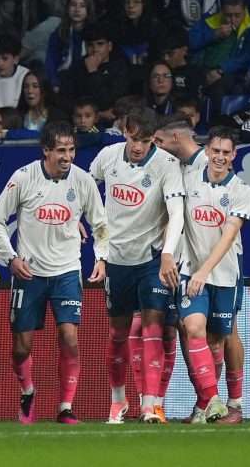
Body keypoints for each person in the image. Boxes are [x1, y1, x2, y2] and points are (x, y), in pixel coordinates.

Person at [0, 120, 108, 424]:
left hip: (67, 271)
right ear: (46, 151)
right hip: (28, 273)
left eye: (71, 150)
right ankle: (27, 391)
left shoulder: (82, 181)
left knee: (70, 337)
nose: (67, 156)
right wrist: (11, 258)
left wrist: (101, 257)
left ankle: (65, 407)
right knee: (21, 346)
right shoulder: (24, 178)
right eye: (60, 151)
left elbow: (102, 224)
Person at [88, 106, 185, 423]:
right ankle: (118, 400)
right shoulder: (108, 157)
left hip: (151, 259)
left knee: (153, 328)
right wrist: (94, 242)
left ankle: (151, 404)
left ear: (153, 139)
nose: (138, 146)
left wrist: (168, 252)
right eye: (133, 138)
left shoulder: (167, 165)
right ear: (124, 132)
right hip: (117, 260)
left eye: (145, 140)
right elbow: (87, 191)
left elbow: (177, 213)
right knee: (117, 335)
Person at [177, 126, 250, 423]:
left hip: (223, 273)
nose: (219, 157)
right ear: (206, 151)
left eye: (225, 152)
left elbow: (228, 237)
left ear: (234, 155)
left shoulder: (242, 190)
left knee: (219, 340)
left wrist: (204, 272)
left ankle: (226, 405)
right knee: (193, 328)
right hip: (190, 270)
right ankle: (210, 401)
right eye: (215, 151)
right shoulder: (188, 180)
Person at [44, 0, 96, 89]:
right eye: (73, 5)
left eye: (82, 6)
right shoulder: (59, 33)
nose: (77, 10)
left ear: (88, 9)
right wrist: (54, 82)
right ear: (67, 8)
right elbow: (51, 61)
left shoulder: (96, 33)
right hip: (64, 79)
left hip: (87, 78)